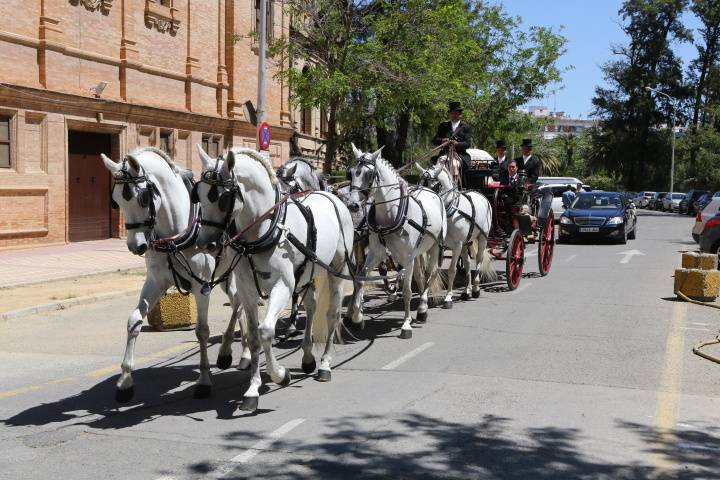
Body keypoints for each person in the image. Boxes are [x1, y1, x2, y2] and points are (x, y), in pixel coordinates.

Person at [432, 101, 472, 185]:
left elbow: (467, 144)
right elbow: (435, 140)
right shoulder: (443, 125)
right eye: (452, 113)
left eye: (456, 113)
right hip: (445, 154)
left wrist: (457, 144)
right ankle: (436, 185)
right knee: (438, 165)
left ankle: (455, 185)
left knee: (454, 165)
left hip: (459, 155)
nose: (454, 115)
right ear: (449, 114)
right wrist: (443, 140)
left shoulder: (466, 127)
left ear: (460, 114)